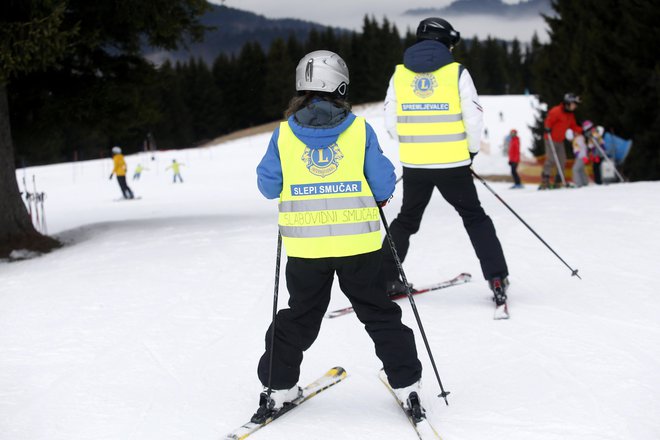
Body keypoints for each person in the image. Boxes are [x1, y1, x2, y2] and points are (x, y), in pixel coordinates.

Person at [253, 50, 424, 424]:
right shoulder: (359, 129)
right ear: (340, 85)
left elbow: (268, 186)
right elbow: (381, 181)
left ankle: (278, 385)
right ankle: (406, 383)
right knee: (378, 312)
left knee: (299, 316)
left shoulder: (283, 134)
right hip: (359, 247)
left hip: (306, 249)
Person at [382, 17, 510, 309]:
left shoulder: (399, 74)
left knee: (406, 221)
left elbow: (391, 123)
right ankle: (497, 278)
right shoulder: (457, 73)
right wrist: (471, 152)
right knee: (475, 218)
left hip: (416, 165)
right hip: (453, 164)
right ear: (445, 42)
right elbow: (474, 118)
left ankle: (386, 279)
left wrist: (417, 142)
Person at [540, 93, 582, 189]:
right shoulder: (556, 111)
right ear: (568, 103)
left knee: (562, 160)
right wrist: (547, 127)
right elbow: (548, 120)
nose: (575, 106)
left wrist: (582, 130)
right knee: (551, 159)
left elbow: (573, 126)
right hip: (550, 139)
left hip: (560, 140)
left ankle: (558, 180)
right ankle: (545, 179)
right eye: (573, 104)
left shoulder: (570, 115)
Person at [582, 120, 604, 184]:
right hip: (597, 153)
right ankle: (598, 181)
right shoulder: (592, 135)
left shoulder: (594, 134)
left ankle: (599, 181)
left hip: (599, 154)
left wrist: (592, 152)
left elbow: (595, 145)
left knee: (597, 168)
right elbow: (590, 145)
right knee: (596, 167)